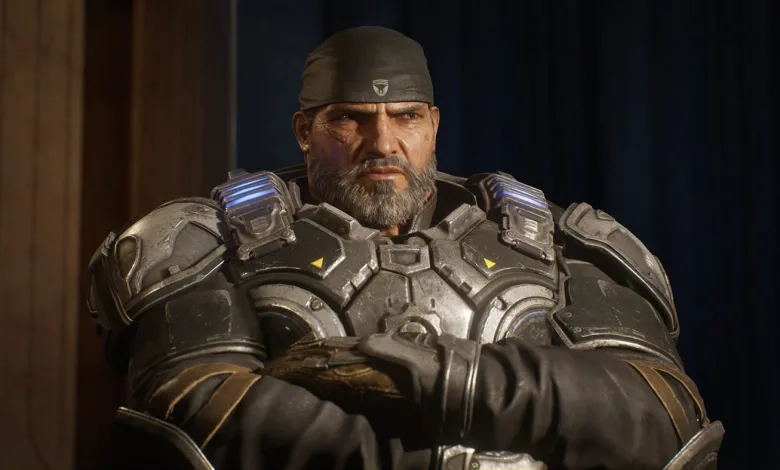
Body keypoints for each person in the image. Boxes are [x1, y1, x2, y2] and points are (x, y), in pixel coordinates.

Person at [88, 26, 723, 470]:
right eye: (351, 118)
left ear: (434, 125)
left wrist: (461, 383)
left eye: (407, 116)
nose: (384, 142)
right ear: (305, 130)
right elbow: (194, 412)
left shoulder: (553, 239)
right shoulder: (210, 241)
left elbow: (663, 415)